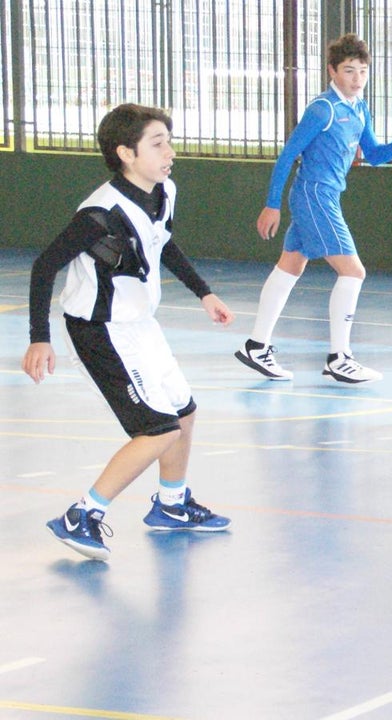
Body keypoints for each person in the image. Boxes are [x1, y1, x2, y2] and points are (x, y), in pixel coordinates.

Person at [23, 103, 234, 561]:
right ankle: (82, 514)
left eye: (169, 142)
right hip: (100, 329)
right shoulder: (100, 213)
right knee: (158, 429)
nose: (170, 152)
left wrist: (204, 293)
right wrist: (40, 336)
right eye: (158, 144)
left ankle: (172, 506)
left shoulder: (163, 191)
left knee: (183, 412)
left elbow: (163, 243)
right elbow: (45, 267)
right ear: (125, 153)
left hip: (139, 323)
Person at [235, 33, 392, 384]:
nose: (357, 78)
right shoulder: (323, 109)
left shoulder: (359, 109)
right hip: (313, 195)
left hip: (328, 195)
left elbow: (373, 156)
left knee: (290, 266)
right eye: (350, 71)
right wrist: (271, 204)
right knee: (354, 271)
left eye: (363, 71)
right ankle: (339, 357)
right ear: (332, 71)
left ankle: (256, 346)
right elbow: (288, 154)